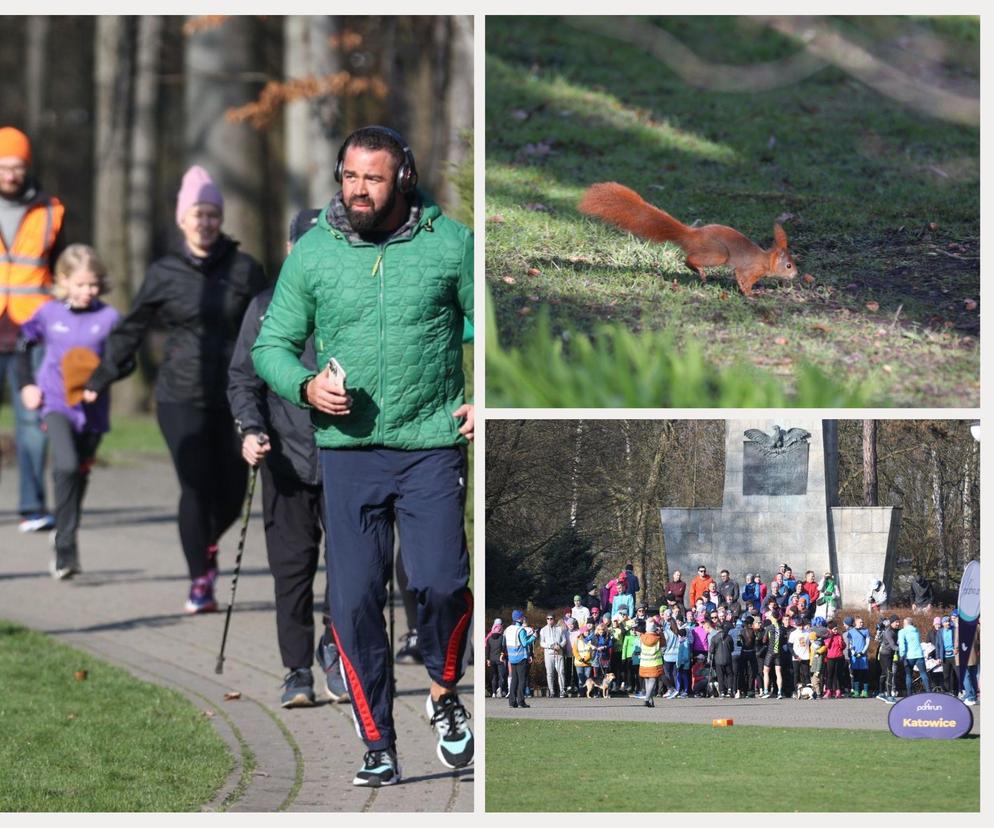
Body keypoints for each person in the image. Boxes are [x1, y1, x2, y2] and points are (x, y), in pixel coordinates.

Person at [251, 126, 473, 785]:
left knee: (441, 582)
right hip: (346, 455)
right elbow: (272, 346)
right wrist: (305, 384)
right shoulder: (314, 252)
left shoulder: (452, 244)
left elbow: (492, 326)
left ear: (402, 177)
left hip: (431, 443)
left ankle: (443, 690)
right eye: (349, 176)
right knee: (352, 602)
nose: (358, 189)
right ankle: (378, 740)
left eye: (372, 178)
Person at [85, 165, 267, 613]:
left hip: (232, 394)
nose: (204, 222)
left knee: (231, 492)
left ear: (219, 218)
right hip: (179, 395)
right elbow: (132, 329)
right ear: (181, 219)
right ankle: (199, 579)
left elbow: (272, 326)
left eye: (211, 214)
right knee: (194, 485)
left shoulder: (245, 270)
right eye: (195, 214)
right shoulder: (164, 272)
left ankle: (203, 546)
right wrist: (101, 377)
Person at [226, 209, 348, 708]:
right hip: (285, 462)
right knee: (291, 571)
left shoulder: (352, 300)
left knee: (352, 571)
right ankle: (296, 670)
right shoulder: (264, 306)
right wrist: (251, 430)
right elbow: (243, 379)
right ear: (292, 248)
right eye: (308, 244)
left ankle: (337, 650)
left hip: (345, 458)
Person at [15, 245, 118, 578]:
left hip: (94, 410)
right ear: (63, 281)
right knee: (66, 465)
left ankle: (65, 531)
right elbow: (22, 344)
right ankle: (65, 548)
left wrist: (101, 381)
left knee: (80, 474)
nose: (87, 291)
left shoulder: (109, 318)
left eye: (93, 284)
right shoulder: (48, 314)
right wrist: (27, 385)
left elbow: (125, 360)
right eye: (80, 284)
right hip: (56, 403)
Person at [0, 126, 63, 533]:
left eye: (16, 167)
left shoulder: (51, 210)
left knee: (31, 418)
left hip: (30, 331)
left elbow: (61, 271)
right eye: (3, 166)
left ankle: (32, 507)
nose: (9, 174)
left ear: (28, 167)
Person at [505, 610, 534, 709]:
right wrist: (533, 637)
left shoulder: (508, 629)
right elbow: (525, 643)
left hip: (512, 657)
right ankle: (521, 701)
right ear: (519, 618)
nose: (523, 619)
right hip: (521, 657)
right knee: (522, 680)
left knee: (514, 679)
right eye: (522, 617)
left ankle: (512, 702)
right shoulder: (521, 630)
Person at [898, 617, 930, 693]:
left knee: (908, 675)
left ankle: (909, 693)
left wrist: (902, 655)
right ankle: (929, 691)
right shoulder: (916, 630)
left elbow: (902, 645)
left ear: (905, 624)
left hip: (909, 656)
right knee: (923, 673)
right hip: (919, 655)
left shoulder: (902, 632)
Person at [540, 613, 568, 698]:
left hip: (558, 653)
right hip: (548, 654)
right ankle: (551, 691)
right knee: (550, 673)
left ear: (554, 619)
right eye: (547, 619)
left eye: (551, 618)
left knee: (561, 672)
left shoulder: (559, 629)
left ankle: (562, 691)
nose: (549, 620)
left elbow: (564, 640)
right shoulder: (543, 630)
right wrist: (550, 646)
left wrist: (559, 646)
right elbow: (542, 643)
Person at [875, 615, 901, 703]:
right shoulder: (888, 632)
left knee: (884, 674)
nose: (898, 623)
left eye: (898, 622)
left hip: (890, 655)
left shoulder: (897, 630)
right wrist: (904, 649)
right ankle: (889, 696)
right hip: (885, 655)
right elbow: (893, 646)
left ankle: (881, 693)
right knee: (889, 674)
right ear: (891, 623)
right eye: (896, 622)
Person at [638, 620, 663, 707]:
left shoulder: (642, 637)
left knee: (647, 681)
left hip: (644, 662)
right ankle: (646, 699)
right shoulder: (658, 638)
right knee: (652, 681)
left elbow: (640, 647)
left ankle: (650, 701)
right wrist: (661, 633)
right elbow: (664, 645)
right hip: (654, 662)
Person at [846, 616, 871, 697]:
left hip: (863, 656)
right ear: (856, 623)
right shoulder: (851, 632)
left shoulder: (866, 631)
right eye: (860, 622)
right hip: (855, 656)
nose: (862, 623)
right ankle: (856, 691)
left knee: (864, 673)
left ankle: (865, 691)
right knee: (856, 674)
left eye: (862, 622)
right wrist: (853, 652)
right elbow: (850, 643)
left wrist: (862, 652)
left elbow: (867, 642)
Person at [931, 615, 957, 695]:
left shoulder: (954, 630)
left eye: (949, 621)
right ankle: (947, 691)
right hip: (945, 657)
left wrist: (957, 649)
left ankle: (955, 691)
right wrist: (938, 657)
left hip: (954, 656)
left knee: (955, 674)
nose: (947, 623)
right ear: (943, 623)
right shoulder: (940, 632)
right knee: (946, 675)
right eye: (946, 622)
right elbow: (938, 645)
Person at [485, 618, 507, 698]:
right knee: (501, 675)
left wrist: (487, 660)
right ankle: (500, 688)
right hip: (500, 659)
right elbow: (504, 648)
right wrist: (502, 655)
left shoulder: (489, 638)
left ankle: (493, 693)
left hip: (491, 659)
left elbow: (487, 649)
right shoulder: (502, 637)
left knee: (494, 676)